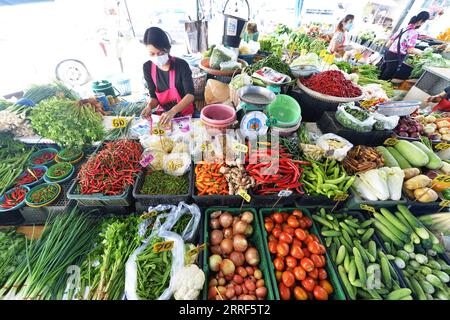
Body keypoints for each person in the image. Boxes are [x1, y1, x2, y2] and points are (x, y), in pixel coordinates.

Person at [140, 27, 195, 124]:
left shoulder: (181, 65)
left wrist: (173, 111)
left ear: (168, 49)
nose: (157, 57)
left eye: (160, 53)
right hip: (165, 116)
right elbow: (154, 97)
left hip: (186, 114)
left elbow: (190, 95)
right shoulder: (147, 67)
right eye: (152, 54)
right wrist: (149, 106)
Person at [380, 11, 430, 80]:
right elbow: (410, 50)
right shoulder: (414, 33)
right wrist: (421, 53)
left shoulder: (402, 29)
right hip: (396, 57)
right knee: (385, 78)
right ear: (421, 21)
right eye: (424, 22)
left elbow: (388, 44)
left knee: (380, 74)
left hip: (388, 55)